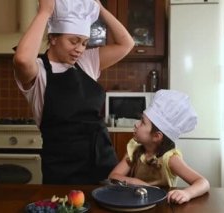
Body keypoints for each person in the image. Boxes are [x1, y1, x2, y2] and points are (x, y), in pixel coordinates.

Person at [13, 0, 134, 185]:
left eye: (85, 43)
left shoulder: (87, 63)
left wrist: (100, 9)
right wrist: (44, 13)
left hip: (102, 162)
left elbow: (126, 43)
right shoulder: (38, 72)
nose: (80, 49)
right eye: (73, 41)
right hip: (62, 170)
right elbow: (21, 59)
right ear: (53, 38)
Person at [108, 90, 210, 204]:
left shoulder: (170, 158)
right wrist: (140, 183)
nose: (136, 124)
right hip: (137, 203)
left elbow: (203, 182)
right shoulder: (134, 149)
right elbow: (113, 176)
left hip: (162, 206)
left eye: (142, 122)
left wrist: (187, 193)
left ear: (157, 136)